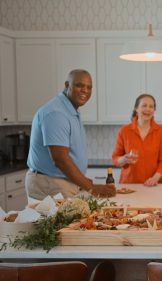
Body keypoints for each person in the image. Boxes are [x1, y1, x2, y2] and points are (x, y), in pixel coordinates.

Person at [26, 69, 116, 200]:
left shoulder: (70, 110)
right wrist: (92, 188)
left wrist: (84, 182)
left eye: (89, 87)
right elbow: (60, 160)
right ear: (67, 85)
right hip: (51, 184)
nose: (85, 90)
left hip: (60, 182)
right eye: (79, 85)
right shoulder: (56, 113)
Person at [112, 94, 162, 186]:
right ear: (136, 109)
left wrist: (154, 179)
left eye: (151, 106)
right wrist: (124, 159)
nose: (148, 109)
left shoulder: (161, 131)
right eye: (144, 105)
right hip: (129, 185)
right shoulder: (124, 131)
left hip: (154, 185)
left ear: (154, 110)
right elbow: (115, 158)